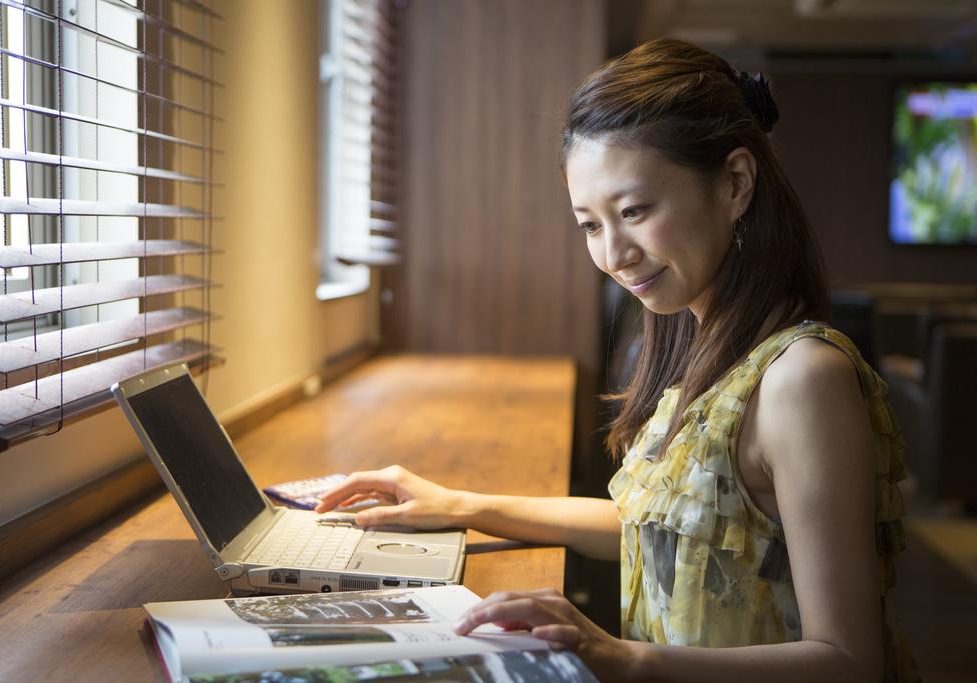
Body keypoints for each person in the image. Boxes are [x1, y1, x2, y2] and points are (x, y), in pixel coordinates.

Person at [316, 38, 920, 682]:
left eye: (634, 212)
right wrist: (458, 504)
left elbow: (849, 663)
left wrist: (623, 658)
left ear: (736, 184)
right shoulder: (704, 343)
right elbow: (658, 529)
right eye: (590, 225)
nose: (613, 255)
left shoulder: (803, 377)